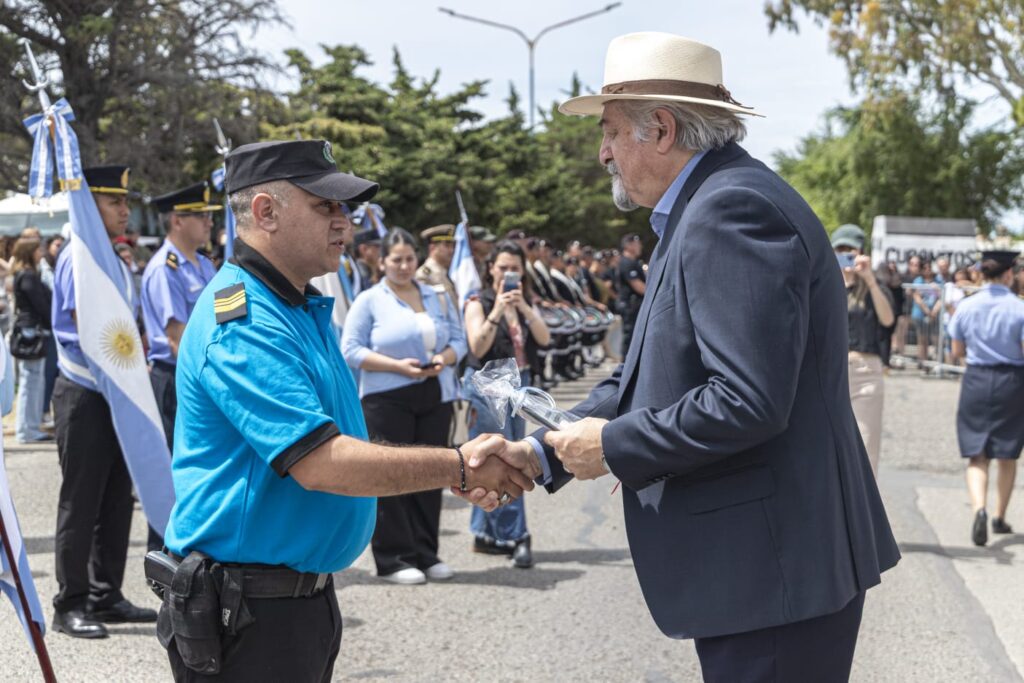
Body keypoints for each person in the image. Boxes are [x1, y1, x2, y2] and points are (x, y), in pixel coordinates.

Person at [464, 32, 899, 680]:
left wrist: (611, 445)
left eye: (611, 131)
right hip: (767, 572)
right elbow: (646, 375)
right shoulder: (707, 205)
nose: (603, 151)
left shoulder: (729, 210)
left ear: (662, 129)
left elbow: (746, 400)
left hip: (772, 574)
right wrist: (544, 450)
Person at [158, 140, 530, 680]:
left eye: (344, 208)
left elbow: (340, 440)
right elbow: (321, 463)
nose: (345, 222)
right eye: (325, 206)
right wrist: (458, 465)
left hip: (287, 601)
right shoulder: (244, 320)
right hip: (248, 609)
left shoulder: (293, 305)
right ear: (265, 212)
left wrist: (451, 468)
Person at [51, 164, 157, 638]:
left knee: (116, 497)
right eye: (114, 201)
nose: (124, 209)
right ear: (88, 206)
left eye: (125, 201)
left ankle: (105, 593)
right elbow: (87, 328)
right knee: (81, 500)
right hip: (85, 392)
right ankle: (70, 603)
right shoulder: (79, 257)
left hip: (117, 391)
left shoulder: (110, 256)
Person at [341, 227, 467, 584]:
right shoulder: (369, 299)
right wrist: (397, 366)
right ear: (382, 262)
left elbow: (459, 339)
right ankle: (394, 558)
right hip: (386, 396)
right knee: (391, 475)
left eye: (409, 258)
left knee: (431, 472)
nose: (404, 265)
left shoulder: (435, 295)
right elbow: (350, 349)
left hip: (433, 390)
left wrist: (444, 357)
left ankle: (427, 553)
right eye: (396, 259)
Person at [140, 181, 220, 550]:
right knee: (176, 473)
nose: (209, 222)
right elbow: (179, 339)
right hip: (178, 379)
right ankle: (165, 557)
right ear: (177, 221)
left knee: (203, 471)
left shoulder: (203, 264)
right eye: (200, 216)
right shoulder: (164, 269)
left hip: (203, 375)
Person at [462, 240, 550, 568]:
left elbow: (544, 338)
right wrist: (498, 309)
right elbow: (477, 346)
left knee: (509, 456)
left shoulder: (526, 302)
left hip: (518, 385)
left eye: (515, 268)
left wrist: (523, 308)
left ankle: (485, 533)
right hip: (488, 386)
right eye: (503, 267)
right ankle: (516, 535)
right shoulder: (478, 302)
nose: (509, 274)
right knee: (503, 461)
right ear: (490, 269)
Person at [947, 250, 1024, 547]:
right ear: (1008, 274)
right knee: (1007, 452)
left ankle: (979, 508)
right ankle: (999, 516)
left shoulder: (967, 306)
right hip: (1012, 381)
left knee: (977, 454)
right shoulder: (1019, 308)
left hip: (976, 378)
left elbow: (957, 351)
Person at [831, 225, 894, 476]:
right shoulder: (826, 284)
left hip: (865, 371)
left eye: (851, 251)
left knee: (866, 450)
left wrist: (869, 279)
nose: (845, 255)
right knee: (830, 447)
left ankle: (865, 501)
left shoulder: (872, 287)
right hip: (831, 371)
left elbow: (887, 319)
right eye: (840, 250)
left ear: (861, 253)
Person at [11, 237, 53, 443]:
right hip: (32, 331)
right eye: (38, 250)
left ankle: (29, 427)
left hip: (31, 329)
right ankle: (27, 429)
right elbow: (41, 304)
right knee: (31, 381)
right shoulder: (28, 276)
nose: (41, 253)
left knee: (33, 380)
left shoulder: (26, 274)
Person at [615, 233, 646, 356]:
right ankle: (626, 363)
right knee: (631, 336)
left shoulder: (633, 262)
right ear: (628, 246)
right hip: (630, 305)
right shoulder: (627, 263)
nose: (640, 247)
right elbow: (638, 286)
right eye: (637, 244)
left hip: (634, 305)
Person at [911, 259, 943, 369]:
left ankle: (937, 362)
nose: (928, 270)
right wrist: (927, 311)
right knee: (922, 339)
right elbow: (917, 297)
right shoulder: (918, 280)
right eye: (925, 268)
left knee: (936, 338)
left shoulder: (938, 280)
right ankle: (923, 362)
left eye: (929, 267)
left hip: (935, 314)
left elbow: (942, 296)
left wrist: (934, 311)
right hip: (920, 314)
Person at [416, 224, 458, 307]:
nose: (451, 250)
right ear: (432, 248)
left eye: (452, 246)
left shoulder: (447, 271)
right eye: (447, 246)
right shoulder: (425, 275)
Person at [353, 226, 381, 292]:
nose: (381, 250)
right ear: (363, 249)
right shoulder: (359, 276)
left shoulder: (367, 272)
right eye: (377, 246)